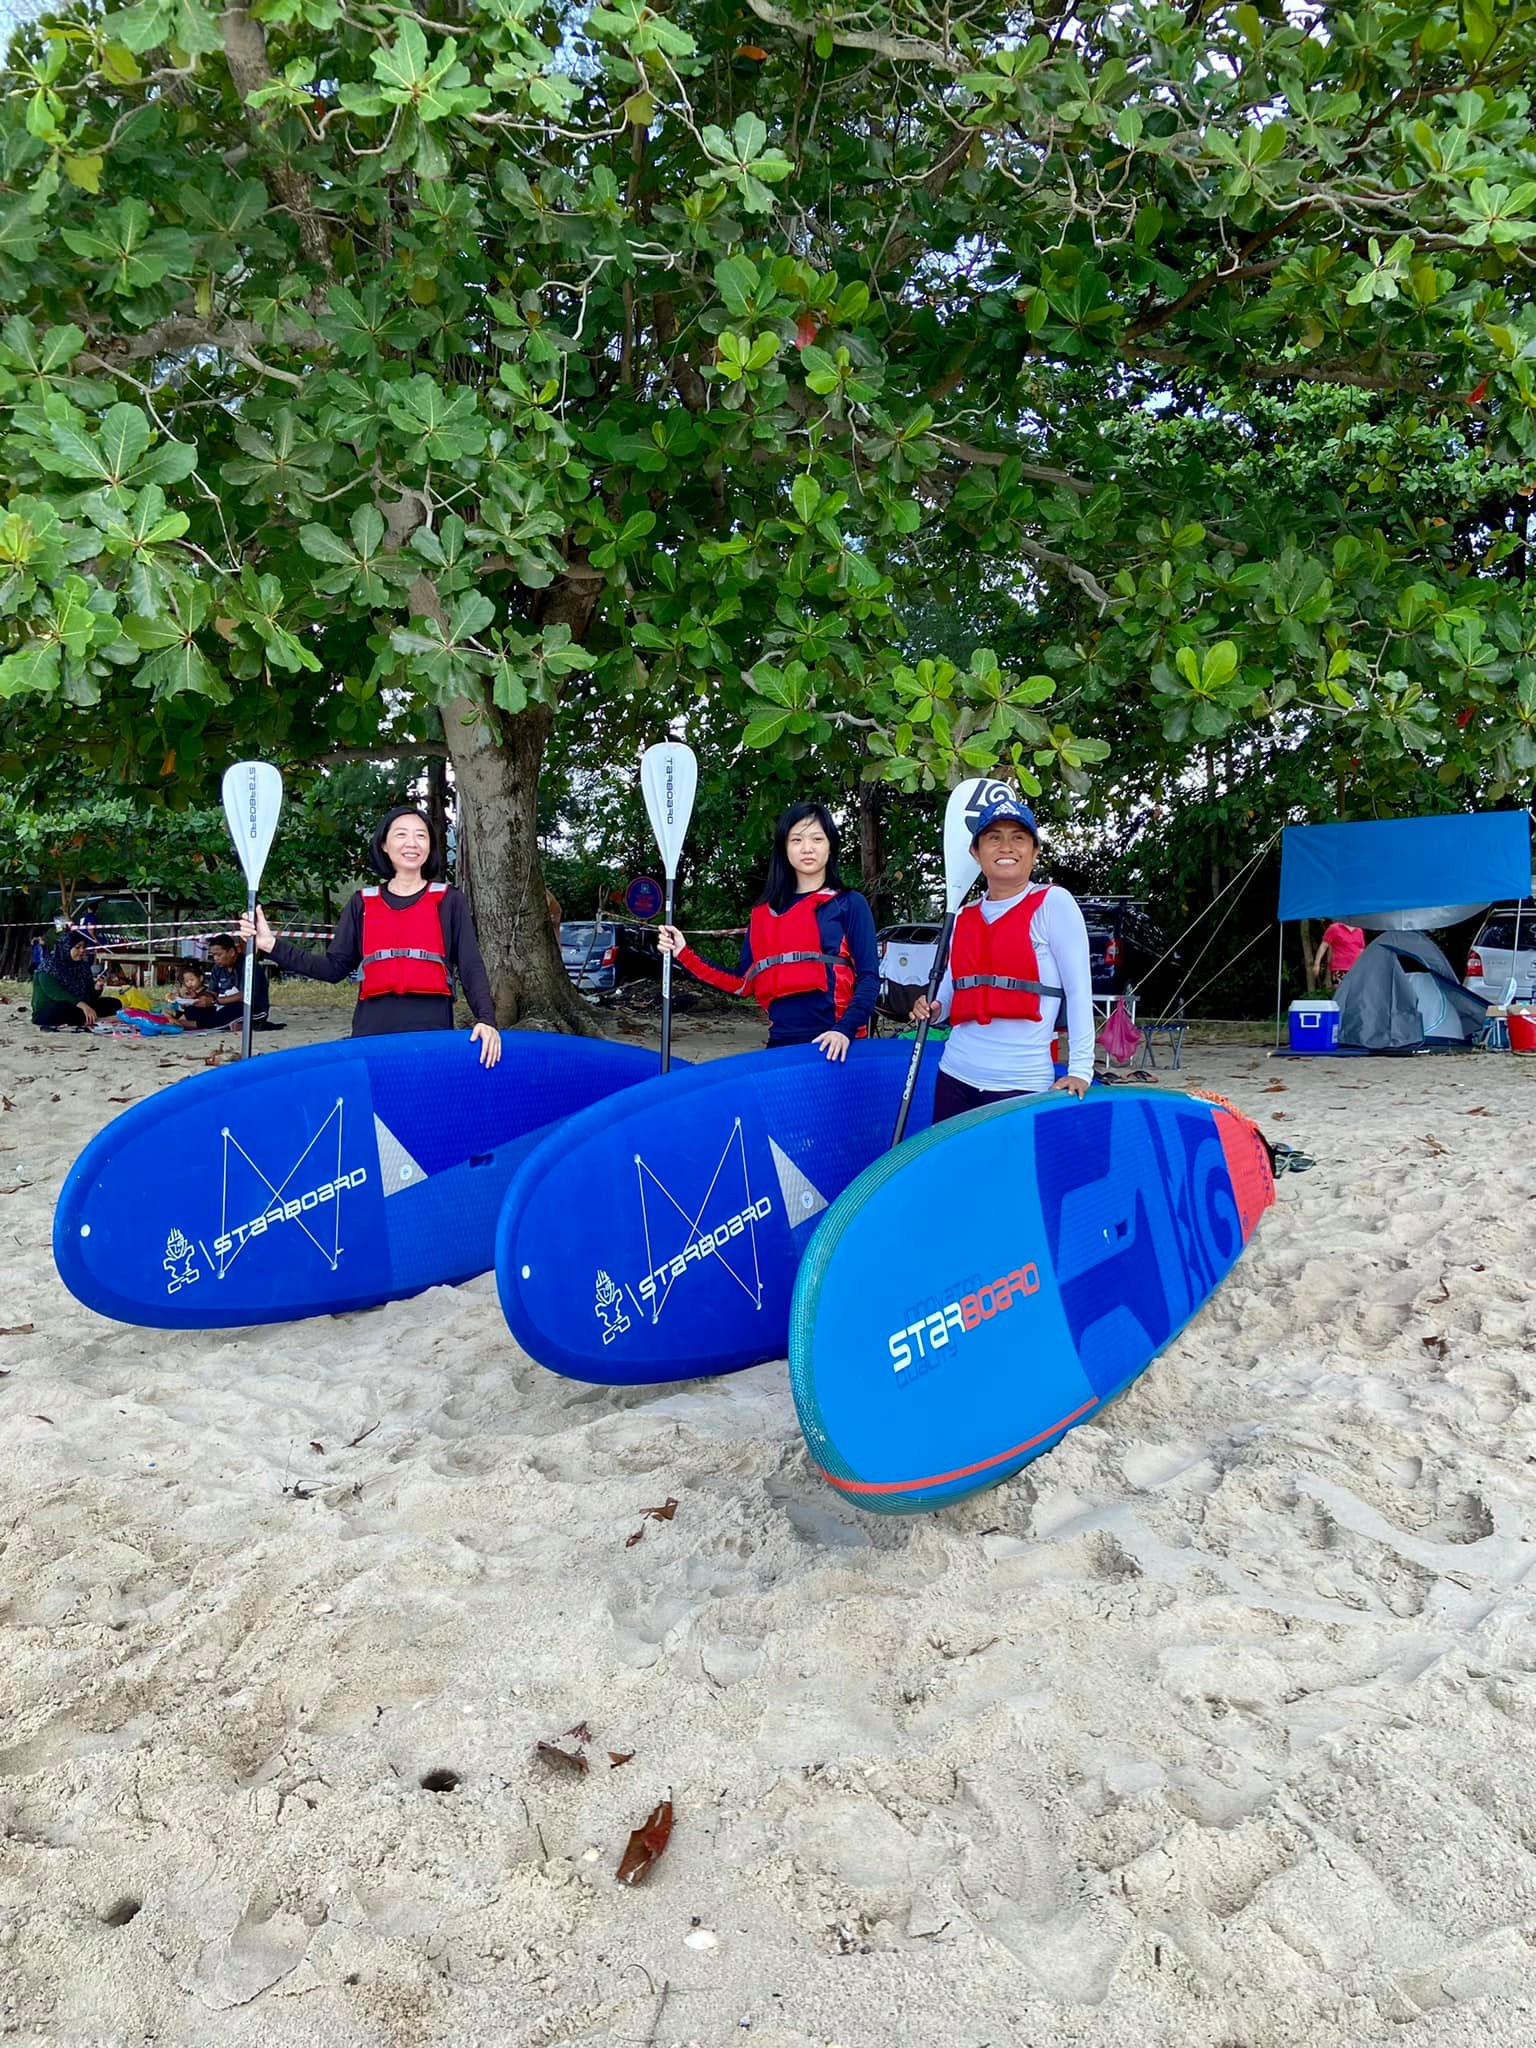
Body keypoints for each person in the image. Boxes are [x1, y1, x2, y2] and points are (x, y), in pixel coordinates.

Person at [240, 805, 502, 1065]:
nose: (412, 843)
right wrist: (271, 944)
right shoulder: (362, 903)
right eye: (401, 834)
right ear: (384, 845)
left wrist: (486, 1019)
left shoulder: (449, 901)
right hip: (372, 1030)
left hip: (431, 1027)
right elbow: (333, 969)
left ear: (431, 846)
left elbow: (470, 966)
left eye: (421, 835)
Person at [912, 796, 1094, 1122]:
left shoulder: (1054, 904)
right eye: (994, 837)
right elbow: (951, 993)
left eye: (1018, 838)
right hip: (955, 1075)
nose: (1006, 847)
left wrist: (1081, 1069)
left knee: (1012, 1174)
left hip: (1022, 1083)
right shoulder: (964, 916)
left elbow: (1080, 991)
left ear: (1035, 851)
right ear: (976, 852)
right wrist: (934, 1007)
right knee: (959, 1174)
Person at [656, 801, 879, 1059]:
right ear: (784, 848)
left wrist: (844, 1030)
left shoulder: (849, 904)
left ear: (830, 846)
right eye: (796, 840)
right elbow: (741, 984)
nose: (807, 848)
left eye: (817, 838)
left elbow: (869, 977)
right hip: (781, 1045)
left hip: (838, 1044)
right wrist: (683, 953)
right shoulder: (763, 915)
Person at [31, 931, 123, 1031]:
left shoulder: (82, 966)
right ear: (66, 948)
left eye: (84, 947)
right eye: (77, 947)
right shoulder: (48, 967)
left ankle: (90, 1018)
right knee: (60, 1011)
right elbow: (56, 994)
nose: (82, 951)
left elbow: (89, 995)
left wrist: (97, 987)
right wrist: (83, 1005)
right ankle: (100, 1019)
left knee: (114, 1003)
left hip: (79, 1006)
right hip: (52, 1007)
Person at [1314, 920, 1365, 985]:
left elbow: (1361, 950)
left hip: (1356, 968)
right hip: (1340, 968)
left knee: (1356, 993)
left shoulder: (1359, 930)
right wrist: (1317, 963)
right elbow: (1324, 946)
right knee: (1341, 993)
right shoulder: (1334, 928)